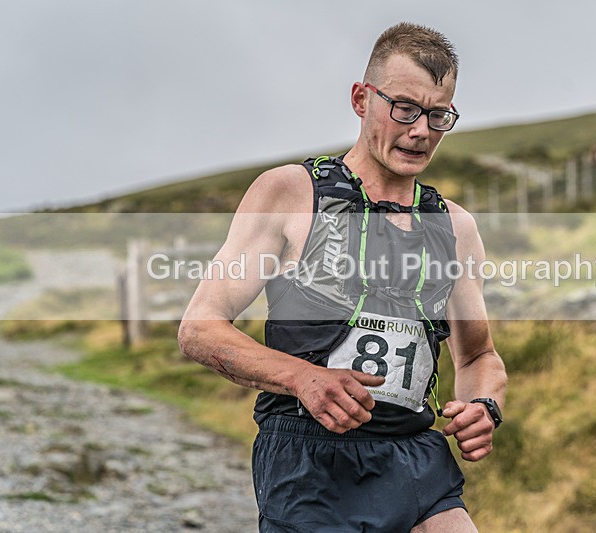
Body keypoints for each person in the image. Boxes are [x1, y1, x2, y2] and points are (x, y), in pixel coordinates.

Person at [178, 22, 507, 532]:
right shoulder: (291, 193)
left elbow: (479, 356)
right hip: (309, 465)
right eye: (404, 108)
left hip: (415, 459)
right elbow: (200, 327)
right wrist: (303, 378)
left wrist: (484, 406)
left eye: (438, 115)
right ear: (361, 99)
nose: (420, 130)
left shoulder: (455, 227)